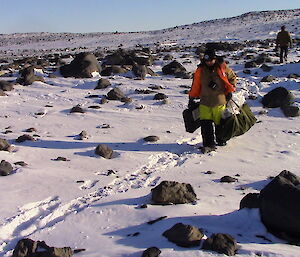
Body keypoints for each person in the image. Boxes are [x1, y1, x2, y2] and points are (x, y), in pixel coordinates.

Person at [188, 48, 237, 153]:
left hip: (219, 101)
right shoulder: (200, 70)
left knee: (220, 123)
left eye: (211, 60)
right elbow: (196, 85)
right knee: (205, 124)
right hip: (205, 101)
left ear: (215, 59)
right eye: (207, 60)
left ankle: (221, 140)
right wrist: (192, 97)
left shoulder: (223, 68)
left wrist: (229, 91)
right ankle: (208, 144)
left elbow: (232, 78)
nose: (209, 62)